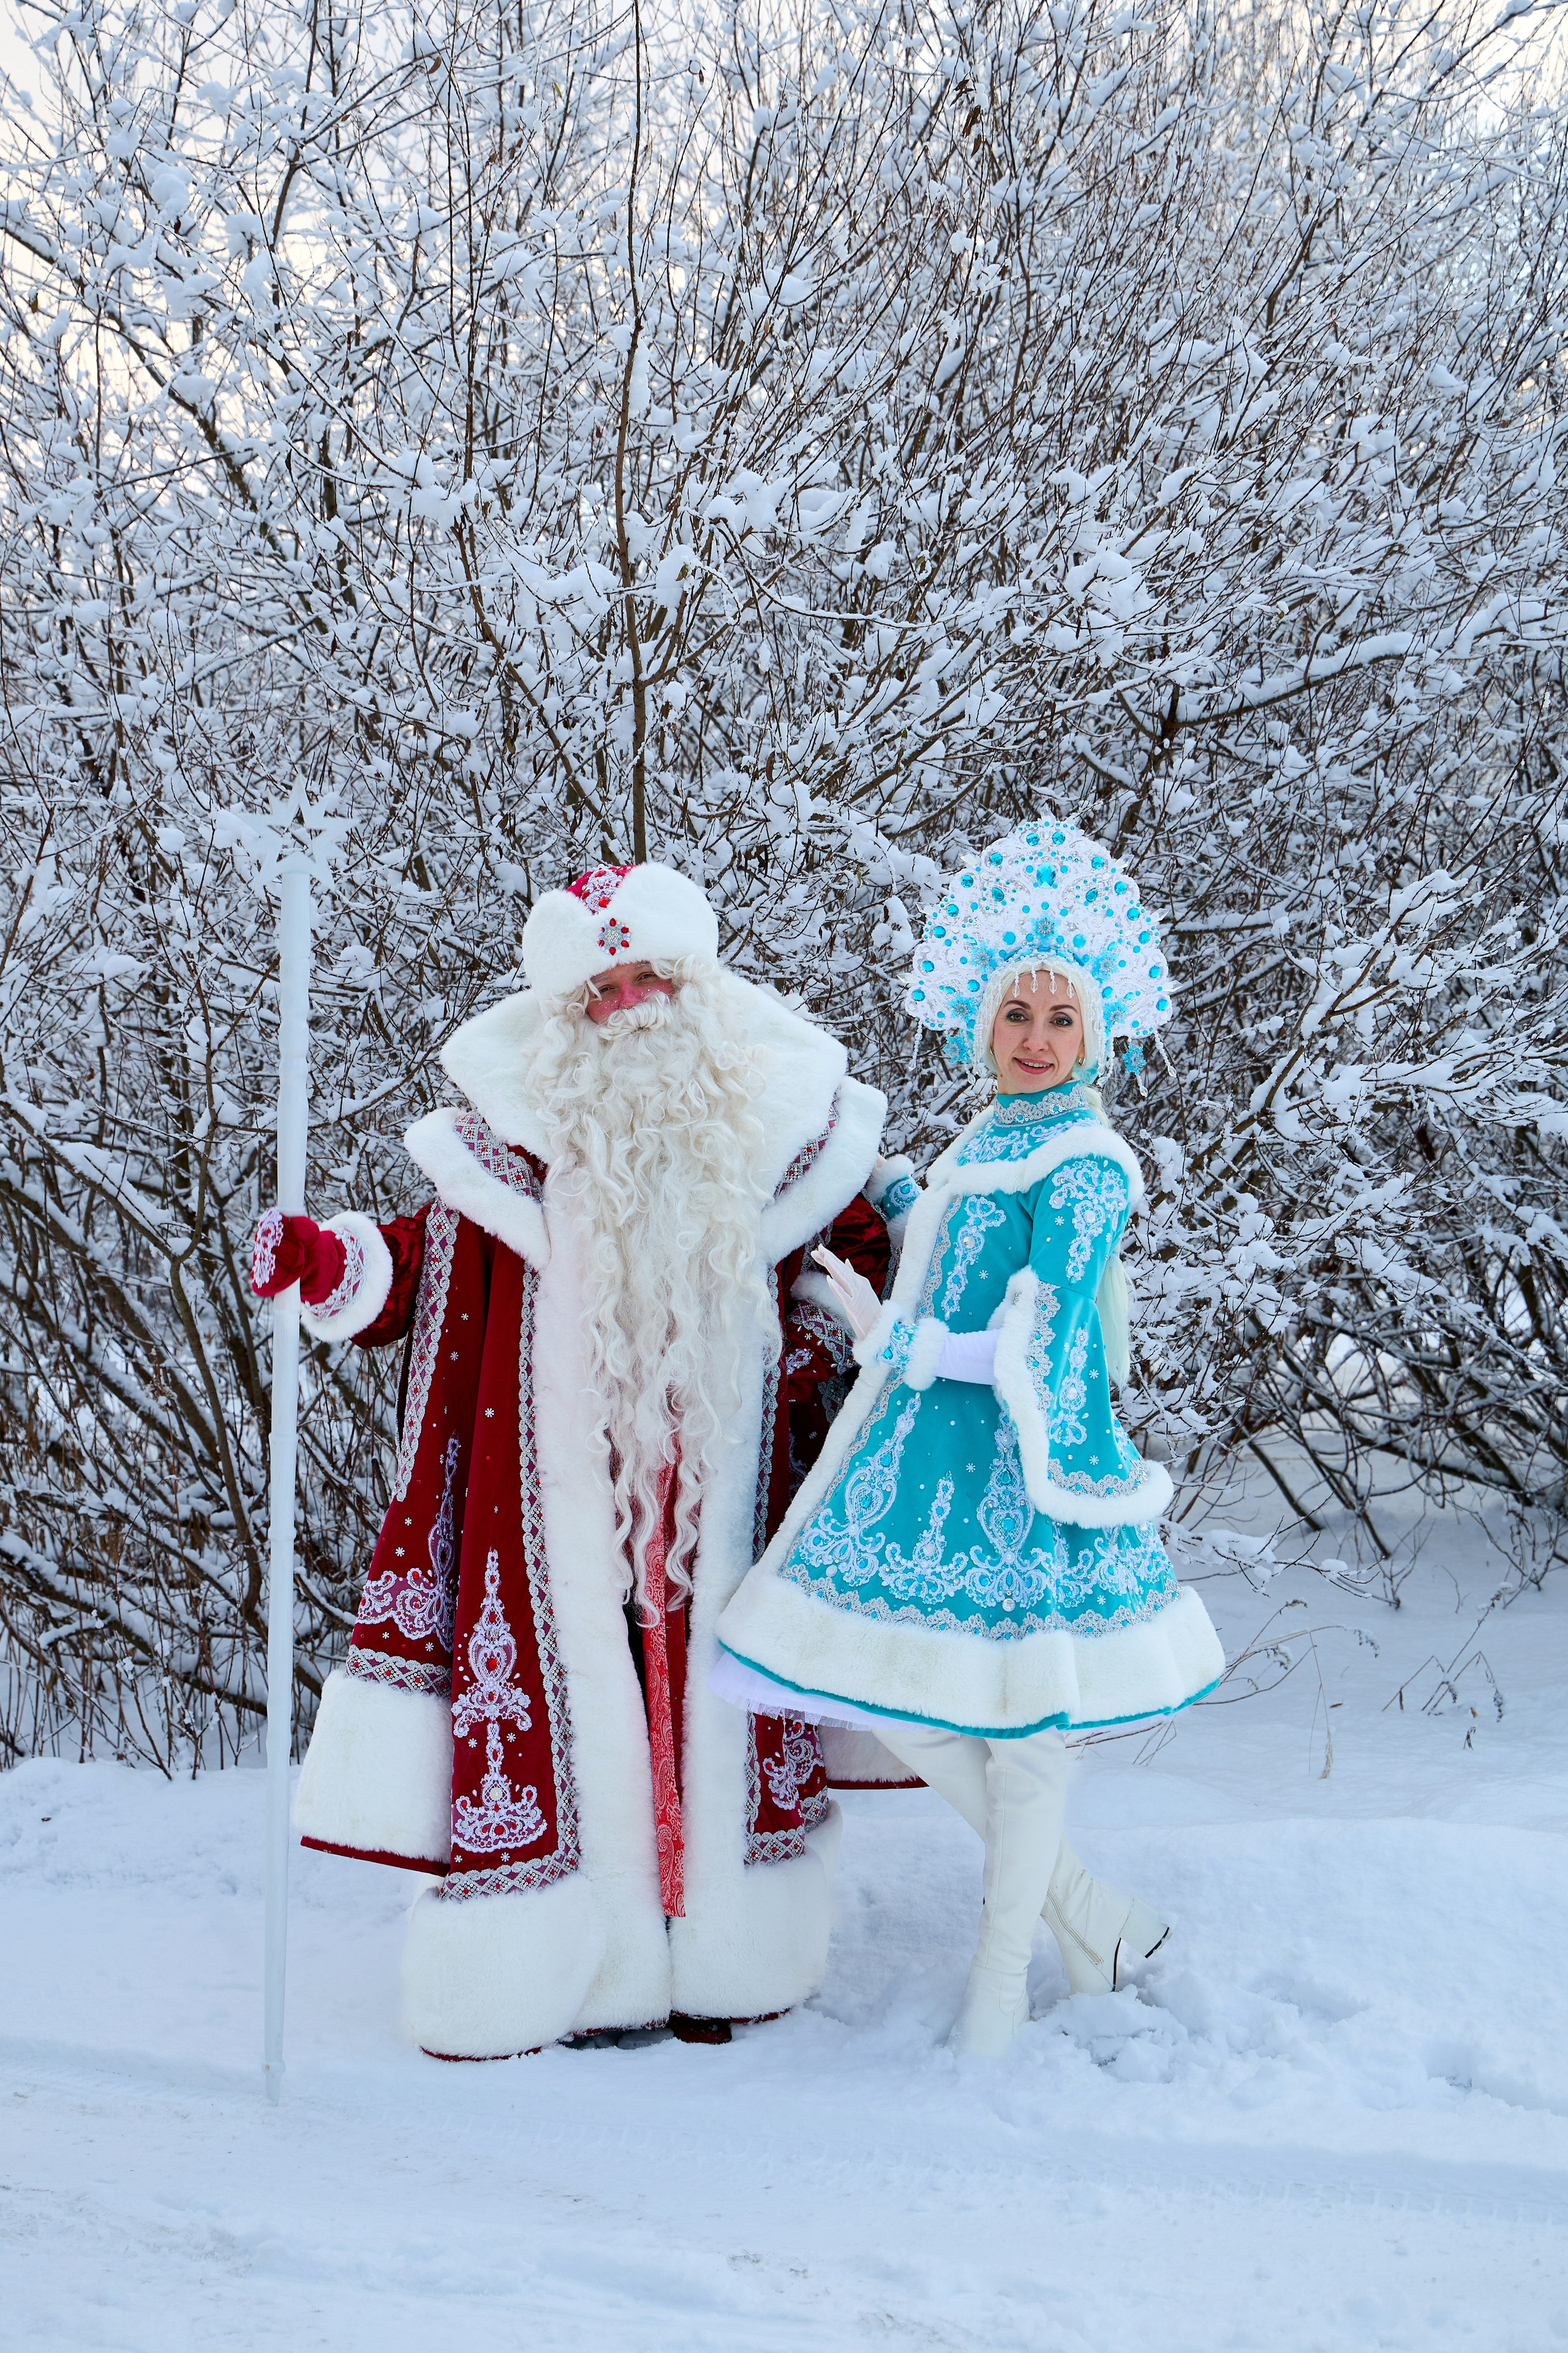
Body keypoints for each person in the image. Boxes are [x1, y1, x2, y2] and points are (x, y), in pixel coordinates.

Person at [252, 861, 903, 2059]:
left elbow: (872, 1255)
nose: (630, 1002)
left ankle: (728, 1956)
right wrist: (324, 1263)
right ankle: (580, 1968)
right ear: (565, 1015)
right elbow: (411, 1264)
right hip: (555, 1505)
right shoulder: (506, 1155)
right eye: (602, 988)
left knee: (713, 1712)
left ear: (696, 989)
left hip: (729, 1500)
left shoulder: (776, 1138)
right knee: (569, 1710)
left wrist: (891, 1280)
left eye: (651, 976)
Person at [714, 824, 1225, 2056]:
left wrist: (899, 1343)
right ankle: (1088, 1917)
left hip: (1024, 1474)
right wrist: (869, 1175)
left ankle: (998, 2000)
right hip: (920, 1472)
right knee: (908, 1696)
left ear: (1092, 1034)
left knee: (1028, 1734)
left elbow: (1043, 1325)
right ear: (981, 1023)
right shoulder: (982, 1138)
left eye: (1059, 1017)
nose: (1036, 1036)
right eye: (1017, 1012)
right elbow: (947, 1237)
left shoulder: (1085, 1156)